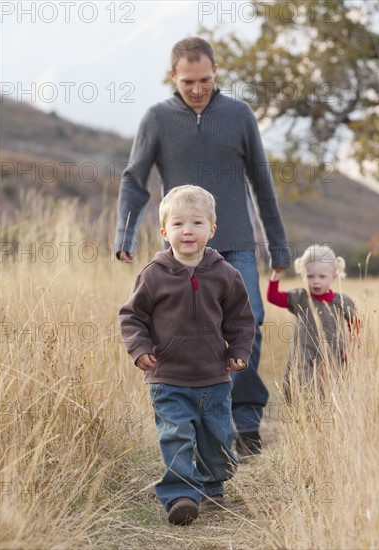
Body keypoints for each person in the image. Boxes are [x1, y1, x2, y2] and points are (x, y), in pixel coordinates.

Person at [115, 36, 291, 456]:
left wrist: (279, 248)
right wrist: (124, 234)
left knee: (250, 324)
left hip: (236, 244)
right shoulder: (157, 118)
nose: (198, 88)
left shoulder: (239, 114)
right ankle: (198, 421)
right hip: (181, 252)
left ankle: (246, 423)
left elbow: (262, 183)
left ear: (216, 74)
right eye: (189, 81)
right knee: (186, 330)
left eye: (206, 80)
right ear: (173, 76)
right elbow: (134, 179)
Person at [119, 185, 255, 525]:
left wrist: (239, 350)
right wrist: (140, 349)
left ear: (212, 229)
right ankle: (180, 495)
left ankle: (212, 486)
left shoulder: (226, 274)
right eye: (178, 224)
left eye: (196, 223)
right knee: (176, 435)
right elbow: (132, 316)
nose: (188, 231)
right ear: (165, 232)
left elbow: (240, 319)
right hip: (169, 378)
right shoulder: (154, 275)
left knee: (217, 440)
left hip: (214, 379)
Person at [267, 244, 360, 402]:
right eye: (310, 276)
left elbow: (356, 325)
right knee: (305, 396)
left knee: (331, 397)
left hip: (334, 359)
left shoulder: (342, 301)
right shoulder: (300, 298)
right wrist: (276, 273)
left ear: (334, 276)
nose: (316, 282)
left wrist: (351, 347)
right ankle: (306, 423)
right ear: (304, 276)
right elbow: (273, 297)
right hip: (305, 359)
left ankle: (327, 425)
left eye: (322, 277)